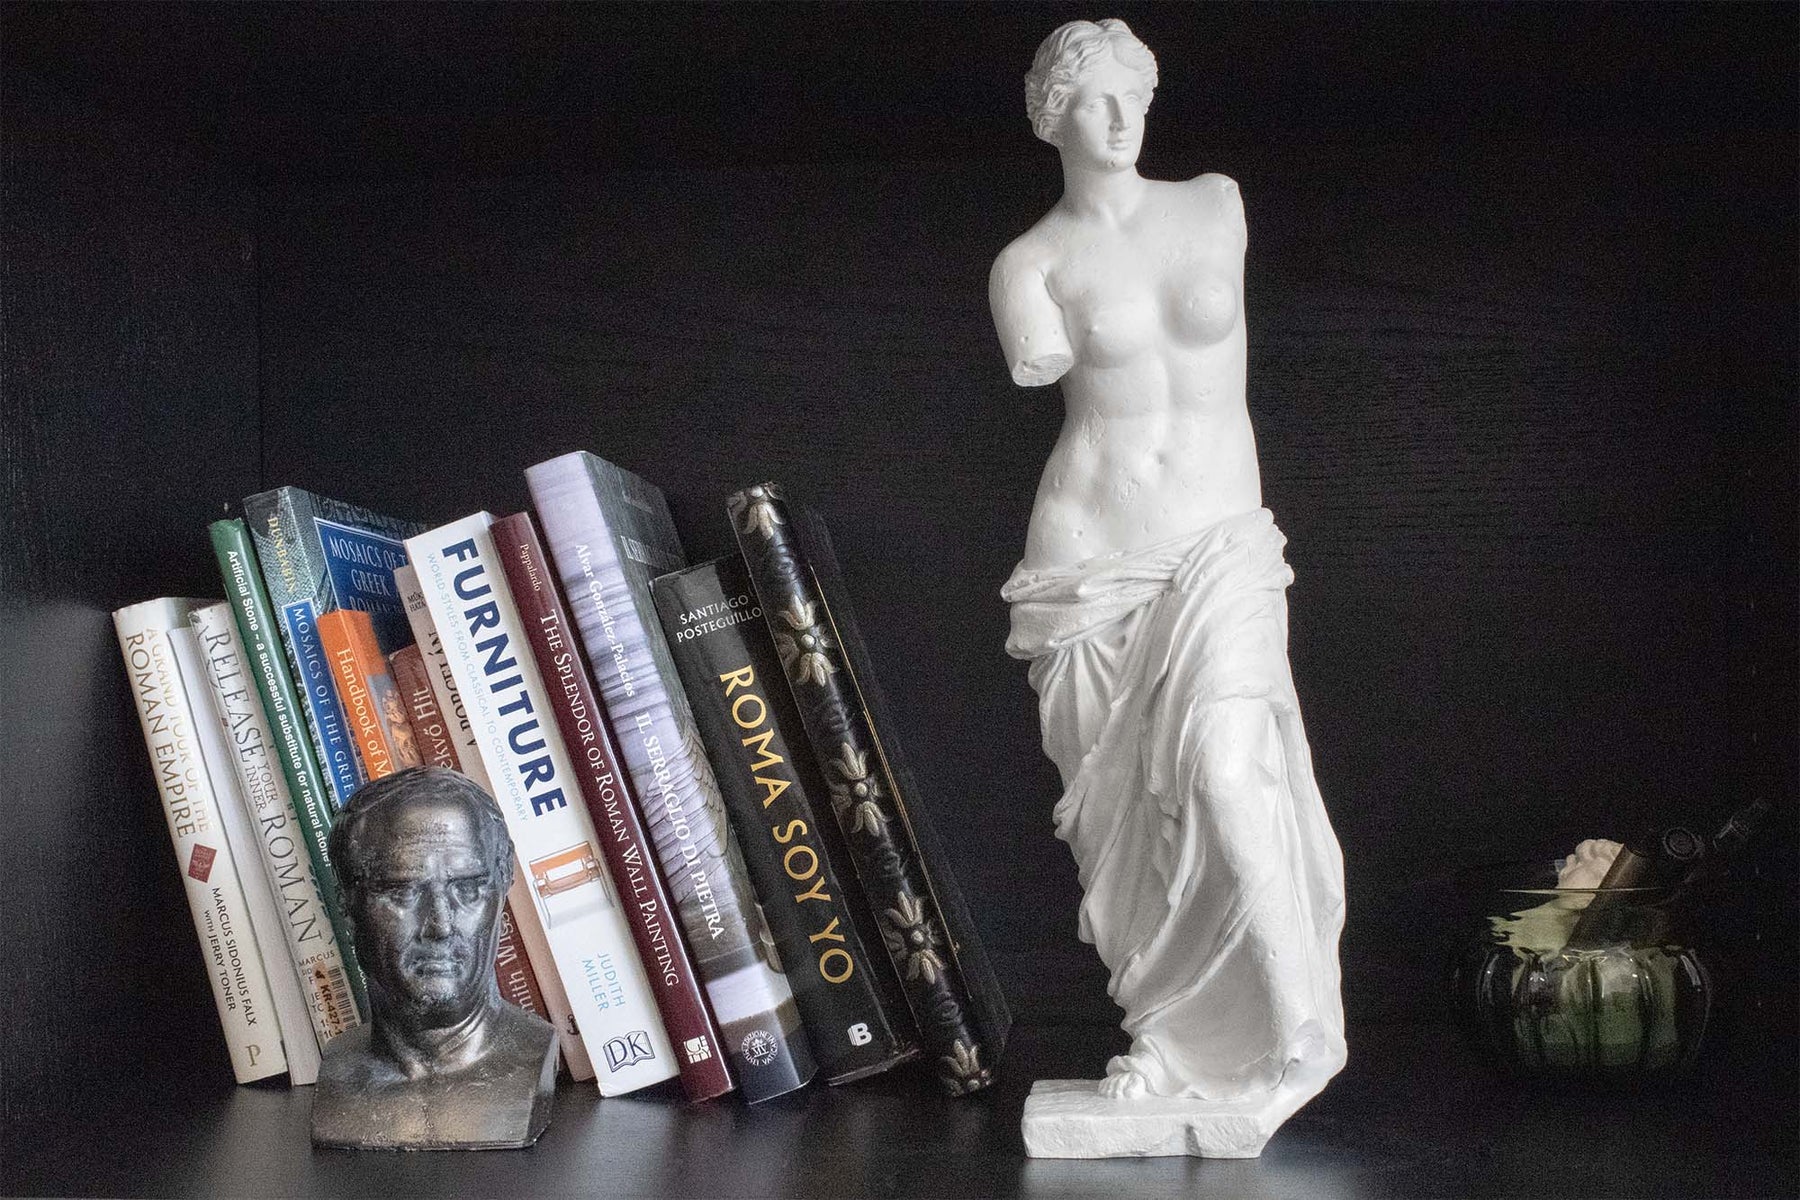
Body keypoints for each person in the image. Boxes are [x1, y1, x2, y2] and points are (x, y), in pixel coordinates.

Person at [992, 19, 1346, 1115]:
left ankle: (1300, 1030)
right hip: (1088, 564)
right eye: (1092, 100)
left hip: (1218, 543)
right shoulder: (1028, 265)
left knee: (1229, 772)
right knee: (1127, 834)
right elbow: (1037, 359)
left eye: (1133, 95)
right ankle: (1167, 1041)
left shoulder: (1213, 204)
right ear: (1051, 116)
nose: (1119, 118)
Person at [312, 767, 557, 1150]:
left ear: (502, 893)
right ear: (347, 906)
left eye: (469, 889)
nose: (440, 925)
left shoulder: (531, 1057)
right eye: (402, 891)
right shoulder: (339, 1072)